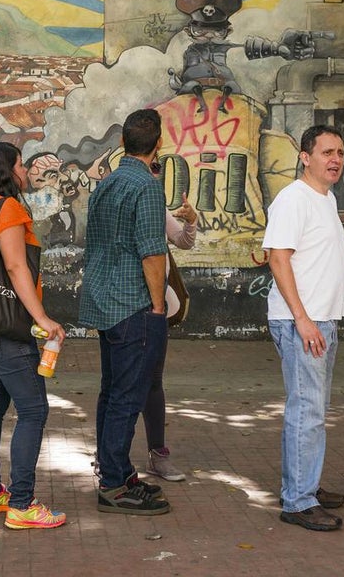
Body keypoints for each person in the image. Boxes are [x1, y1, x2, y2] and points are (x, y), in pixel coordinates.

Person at [0, 142, 67, 530]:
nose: (25, 171)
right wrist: (42, 317)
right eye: (21, 165)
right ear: (7, 170)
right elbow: (15, 266)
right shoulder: (7, 208)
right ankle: (22, 503)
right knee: (34, 410)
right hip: (7, 327)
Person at [79, 108, 171, 515]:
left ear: (122, 142)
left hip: (103, 299)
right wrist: (158, 306)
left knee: (112, 390)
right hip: (132, 302)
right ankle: (114, 485)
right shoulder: (147, 186)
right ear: (158, 143)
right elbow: (152, 252)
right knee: (127, 396)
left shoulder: (107, 183)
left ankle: (114, 469)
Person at [263, 125, 344, 531]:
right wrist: (302, 319)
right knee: (307, 411)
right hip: (302, 321)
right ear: (305, 157)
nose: (336, 160)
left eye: (340, 153)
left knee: (313, 409)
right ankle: (299, 501)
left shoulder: (326, 198)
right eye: (327, 152)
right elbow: (278, 258)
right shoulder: (293, 199)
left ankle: (304, 485)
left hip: (320, 320)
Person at [139, 191, 198, 483]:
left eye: (155, 170)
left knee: (153, 382)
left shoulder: (155, 204)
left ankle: (157, 454)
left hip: (156, 307)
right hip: (123, 307)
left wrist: (191, 220)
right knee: (117, 384)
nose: (153, 175)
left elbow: (184, 241)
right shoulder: (116, 200)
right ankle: (108, 457)